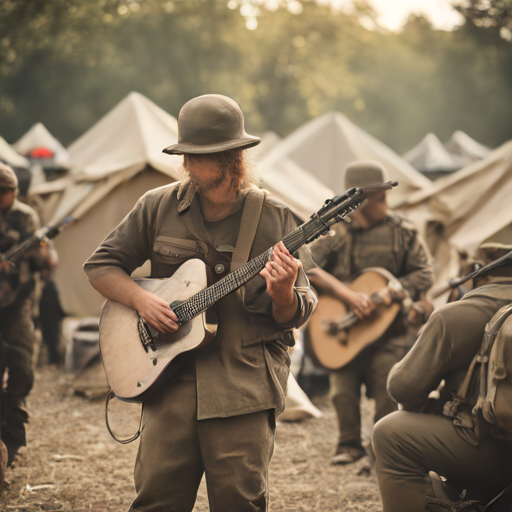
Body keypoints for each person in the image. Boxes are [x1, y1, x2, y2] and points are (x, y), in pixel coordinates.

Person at [83, 94, 317, 512]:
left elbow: (300, 308)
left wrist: (283, 296)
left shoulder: (276, 219)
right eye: (184, 154)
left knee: (239, 504)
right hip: (167, 381)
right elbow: (101, 267)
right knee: (156, 501)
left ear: (231, 159)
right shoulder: (157, 206)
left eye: (197, 156)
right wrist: (141, 300)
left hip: (243, 389)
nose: (186, 164)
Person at [307, 160, 435, 464]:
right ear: (360, 202)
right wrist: (346, 295)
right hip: (344, 328)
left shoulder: (402, 232)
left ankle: (381, 452)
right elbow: (307, 267)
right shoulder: (333, 233)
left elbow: (425, 274)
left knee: (386, 388)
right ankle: (348, 445)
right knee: (342, 390)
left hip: (388, 329)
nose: (386, 203)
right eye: (381, 197)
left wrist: (394, 289)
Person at [372, 243, 512, 512]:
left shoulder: (455, 315)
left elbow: (403, 389)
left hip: (496, 451)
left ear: (477, 274)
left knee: (391, 433)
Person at [0, 162, 45, 467]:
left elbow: (41, 262)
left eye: (5, 191)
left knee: (22, 371)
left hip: (18, 306)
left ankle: (11, 422)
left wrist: (40, 253)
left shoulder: (26, 216)